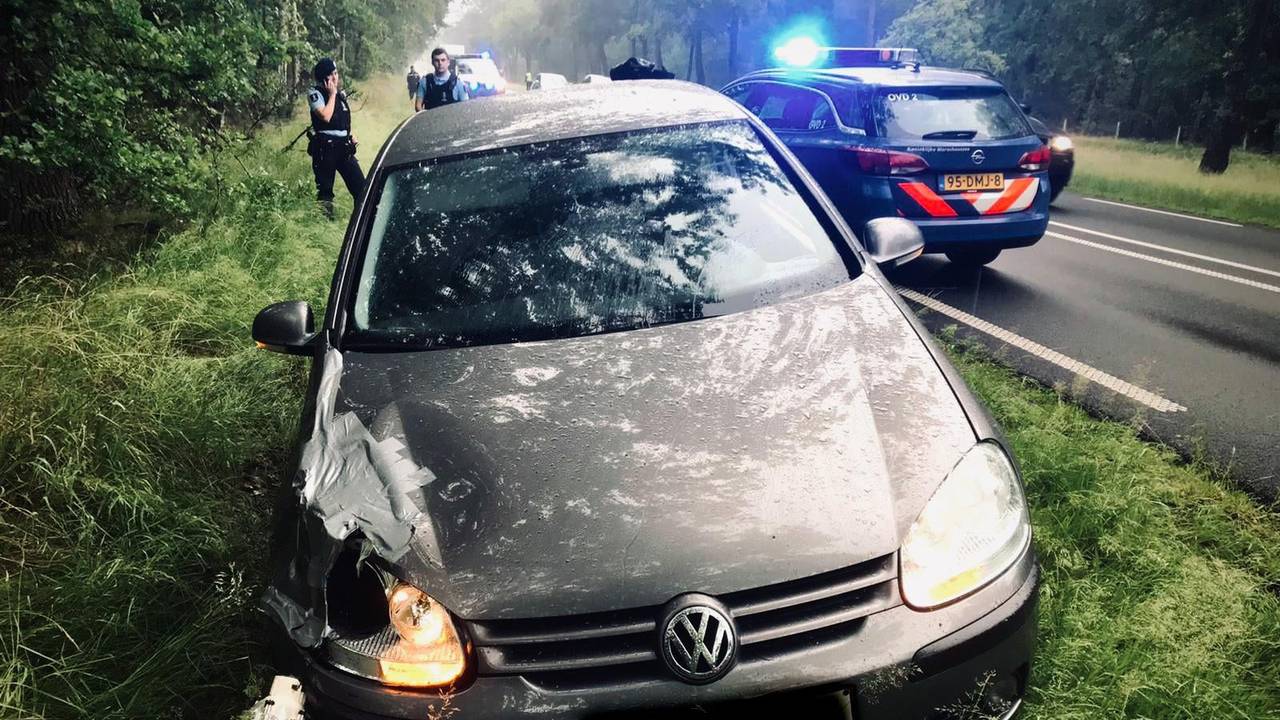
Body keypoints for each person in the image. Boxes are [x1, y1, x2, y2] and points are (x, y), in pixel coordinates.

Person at [307, 58, 365, 220]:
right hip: (325, 149)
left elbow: (340, 120)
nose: (334, 78)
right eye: (331, 75)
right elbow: (325, 116)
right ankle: (325, 225)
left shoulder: (340, 96)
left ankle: (360, 222)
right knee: (325, 192)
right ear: (323, 78)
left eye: (335, 73)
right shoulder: (315, 93)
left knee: (361, 188)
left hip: (344, 147)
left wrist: (349, 135)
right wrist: (332, 94)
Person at [415, 47, 468, 112]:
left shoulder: (458, 83)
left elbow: (465, 107)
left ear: (448, 62)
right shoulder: (424, 82)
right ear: (432, 62)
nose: (440, 63)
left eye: (443, 60)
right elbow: (418, 106)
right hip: (430, 120)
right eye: (437, 60)